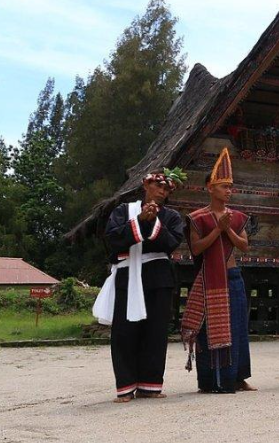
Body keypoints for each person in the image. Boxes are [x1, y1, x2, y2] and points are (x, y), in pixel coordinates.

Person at [94, 168, 187, 402]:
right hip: (127, 276)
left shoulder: (172, 217)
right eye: (158, 185)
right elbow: (113, 239)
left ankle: (150, 384)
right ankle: (125, 385)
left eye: (166, 189)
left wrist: (153, 222)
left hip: (158, 278)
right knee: (124, 332)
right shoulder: (123, 211)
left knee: (156, 332)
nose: (161, 191)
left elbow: (170, 243)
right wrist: (138, 222)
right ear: (146, 185)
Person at [180, 148, 256, 393]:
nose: (229, 191)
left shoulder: (237, 217)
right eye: (224, 187)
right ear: (210, 188)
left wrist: (228, 230)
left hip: (232, 276)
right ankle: (211, 381)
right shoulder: (198, 218)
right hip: (210, 278)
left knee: (238, 328)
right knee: (208, 330)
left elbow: (243, 245)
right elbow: (196, 248)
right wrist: (216, 230)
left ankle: (238, 377)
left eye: (231, 187)